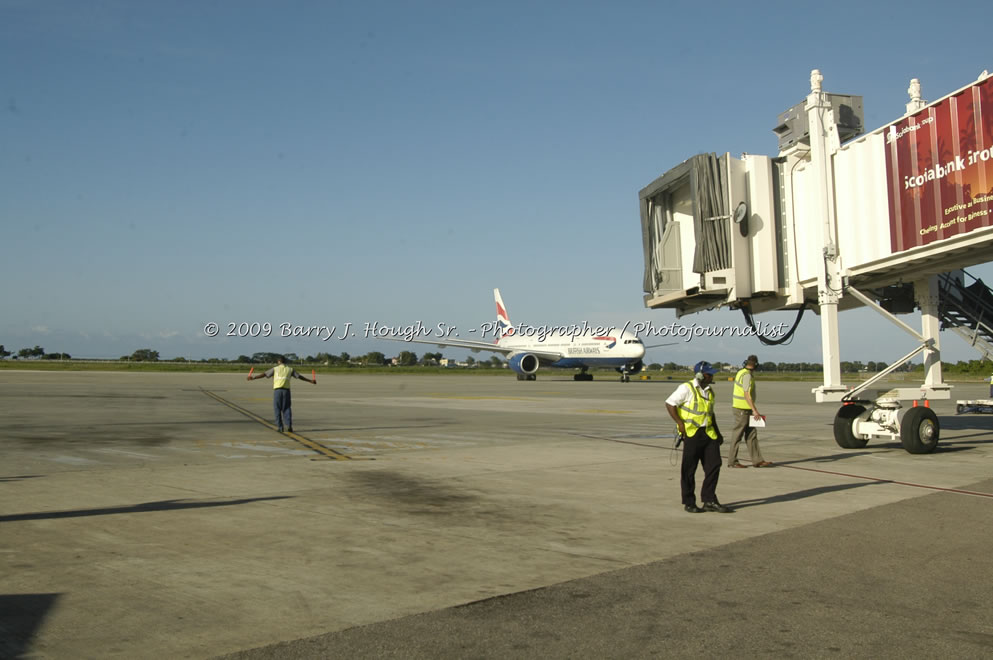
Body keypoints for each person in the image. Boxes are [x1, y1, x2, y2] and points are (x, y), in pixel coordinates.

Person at [665, 361, 732, 513]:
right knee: (689, 469)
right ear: (701, 375)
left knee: (714, 465)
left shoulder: (709, 391)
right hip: (692, 433)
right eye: (710, 374)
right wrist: (679, 423)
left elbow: (710, 414)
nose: (712, 376)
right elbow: (670, 404)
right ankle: (689, 502)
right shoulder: (686, 388)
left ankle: (709, 499)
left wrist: (718, 433)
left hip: (709, 434)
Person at [247, 356, 316, 432]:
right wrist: (310, 381)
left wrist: (253, 378)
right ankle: (289, 425)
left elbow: (264, 374)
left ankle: (280, 427)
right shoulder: (290, 369)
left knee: (277, 409)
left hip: (278, 391)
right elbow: (299, 376)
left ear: (278, 362)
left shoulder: (275, 369)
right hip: (286, 391)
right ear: (285, 361)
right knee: (287, 408)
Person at [729, 354, 773, 468]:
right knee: (737, 434)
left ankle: (757, 460)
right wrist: (755, 410)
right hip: (742, 409)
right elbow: (746, 394)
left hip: (746, 408)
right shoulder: (746, 376)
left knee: (752, 434)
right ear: (756, 365)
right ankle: (732, 461)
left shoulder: (741, 372)